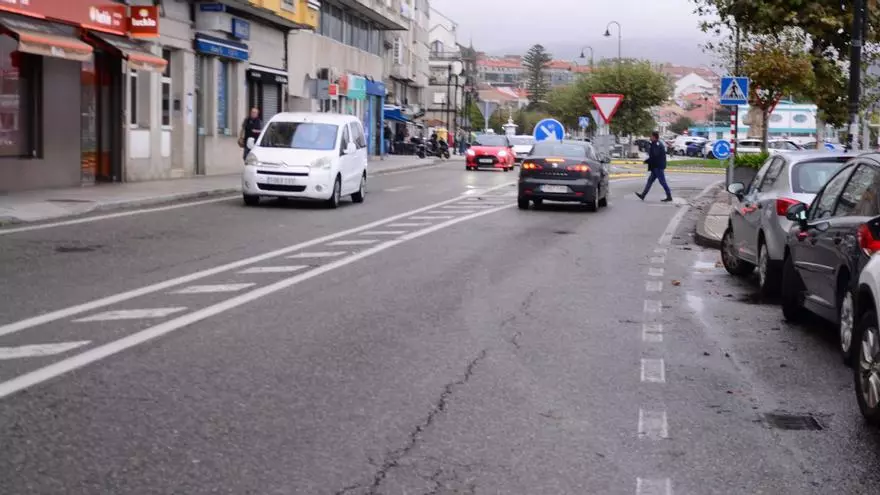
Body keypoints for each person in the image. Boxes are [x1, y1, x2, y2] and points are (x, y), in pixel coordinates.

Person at [636, 131, 673, 202]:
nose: (650, 137)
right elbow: (653, 154)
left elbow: (655, 155)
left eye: (651, 136)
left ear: (654, 137)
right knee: (649, 181)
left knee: (662, 182)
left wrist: (647, 160)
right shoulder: (655, 143)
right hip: (655, 166)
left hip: (658, 167)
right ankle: (643, 195)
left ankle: (669, 196)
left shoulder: (657, 144)